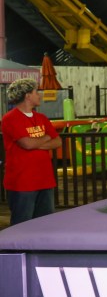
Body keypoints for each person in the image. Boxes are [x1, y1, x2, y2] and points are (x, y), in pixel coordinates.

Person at [2, 78, 62, 225]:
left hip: (45, 179)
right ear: (27, 95)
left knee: (46, 223)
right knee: (22, 224)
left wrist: (37, 143)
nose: (39, 95)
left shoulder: (41, 117)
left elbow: (58, 141)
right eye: (36, 92)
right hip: (22, 181)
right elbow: (27, 144)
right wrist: (46, 137)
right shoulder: (10, 118)